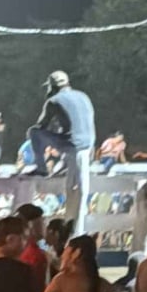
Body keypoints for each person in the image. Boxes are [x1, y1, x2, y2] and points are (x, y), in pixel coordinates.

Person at [28, 70, 96, 230]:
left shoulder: (53, 101)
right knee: (76, 188)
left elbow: (41, 125)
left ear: (52, 87)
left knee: (34, 132)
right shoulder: (83, 96)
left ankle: (41, 168)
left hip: (72, 145)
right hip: (88, 144)